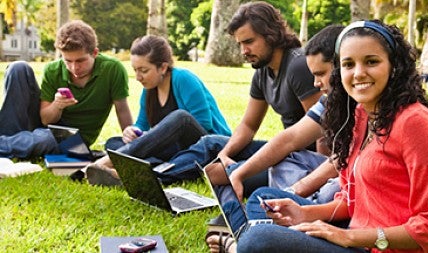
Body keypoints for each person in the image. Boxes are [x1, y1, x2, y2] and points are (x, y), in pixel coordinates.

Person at [216, 20, 428, 253]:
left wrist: (348, 237)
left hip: (378, 247)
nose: (358, 73)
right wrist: (304, 213)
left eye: (371, 61)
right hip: (357, 237)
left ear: (394, 65)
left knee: (258, 239)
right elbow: (353, 202)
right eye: (348, 64)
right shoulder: (361, 114)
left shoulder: (414, 123)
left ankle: (237, 245)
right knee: (262, 201)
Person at [141, 1, 321, 187]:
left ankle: (153, 178)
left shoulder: (298, 66)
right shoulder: (262, 72)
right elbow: (249, 126)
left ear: (271, 35)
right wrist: (225, 154)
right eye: (240, 44)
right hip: (286, 151)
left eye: (249, 42)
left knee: (220, 175)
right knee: (211, 144)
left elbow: (320, 130)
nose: (244, 51)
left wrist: (318, 179)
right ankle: (153, 175)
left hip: (304, 160)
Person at [205, 24, 345, 252]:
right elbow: (288, 138)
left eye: (320, 74)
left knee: (260, 223)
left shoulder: (382, 115)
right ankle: (244, 234)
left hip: (340, 204)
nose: (316, 84)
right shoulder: (334, 102)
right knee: (226, 175)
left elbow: (338, 163)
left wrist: (296, 194)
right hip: (324, 186)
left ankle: (239, 241)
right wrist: (239, 170)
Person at [84, 35, 231, 186]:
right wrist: (133, 131)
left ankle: (109, 162)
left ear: (163, 67)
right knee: (114, 143)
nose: (138, 77)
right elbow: (142, 124)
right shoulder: (149, 89)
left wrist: (155, 137)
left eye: (143, 70)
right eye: (135, 70)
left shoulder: (183, 78)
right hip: (175, 151)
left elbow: (204, 123)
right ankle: (141, 170)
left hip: (208, 148)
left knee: (181, 118)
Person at [0, 20, 132, 158]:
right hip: (45, 127)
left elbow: (122, 109)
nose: (74, 68)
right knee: (18, 68)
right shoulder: (52, 70)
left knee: (47, 139)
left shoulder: (113, 69)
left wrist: (131, 145)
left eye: (80, 61)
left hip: (75, 140)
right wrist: (57, 105)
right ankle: (9, 139)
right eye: (68, 61)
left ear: (94, 53)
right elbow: (45, 120)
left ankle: (8, 145)